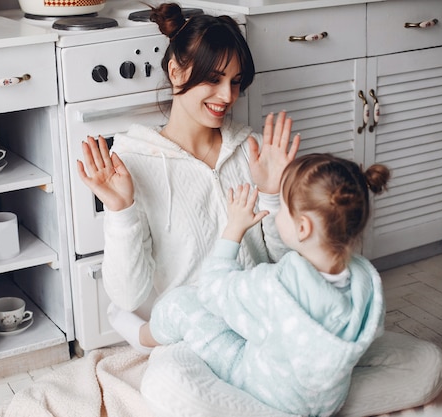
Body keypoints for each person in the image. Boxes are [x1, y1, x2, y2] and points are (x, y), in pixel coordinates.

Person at [77, 2, 299, 354]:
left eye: (236, 82)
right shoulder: (133, 163)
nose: (228, 96)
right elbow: (127, 296)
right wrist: (121, 210)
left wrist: (272, 194)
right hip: (196, 342)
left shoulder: (252, 149)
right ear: (176, 72)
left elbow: (283, 262)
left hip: (262, 325)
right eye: (213, 79)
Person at [140, 154, 389, 416]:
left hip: (265, 390)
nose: (277, 212)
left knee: (181, 303)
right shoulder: (367, 283)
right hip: (327, 402)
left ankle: (141, 337)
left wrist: (234, 227)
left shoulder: (276, 286)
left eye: (281, 206)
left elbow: (212, 289)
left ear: (302, 228)